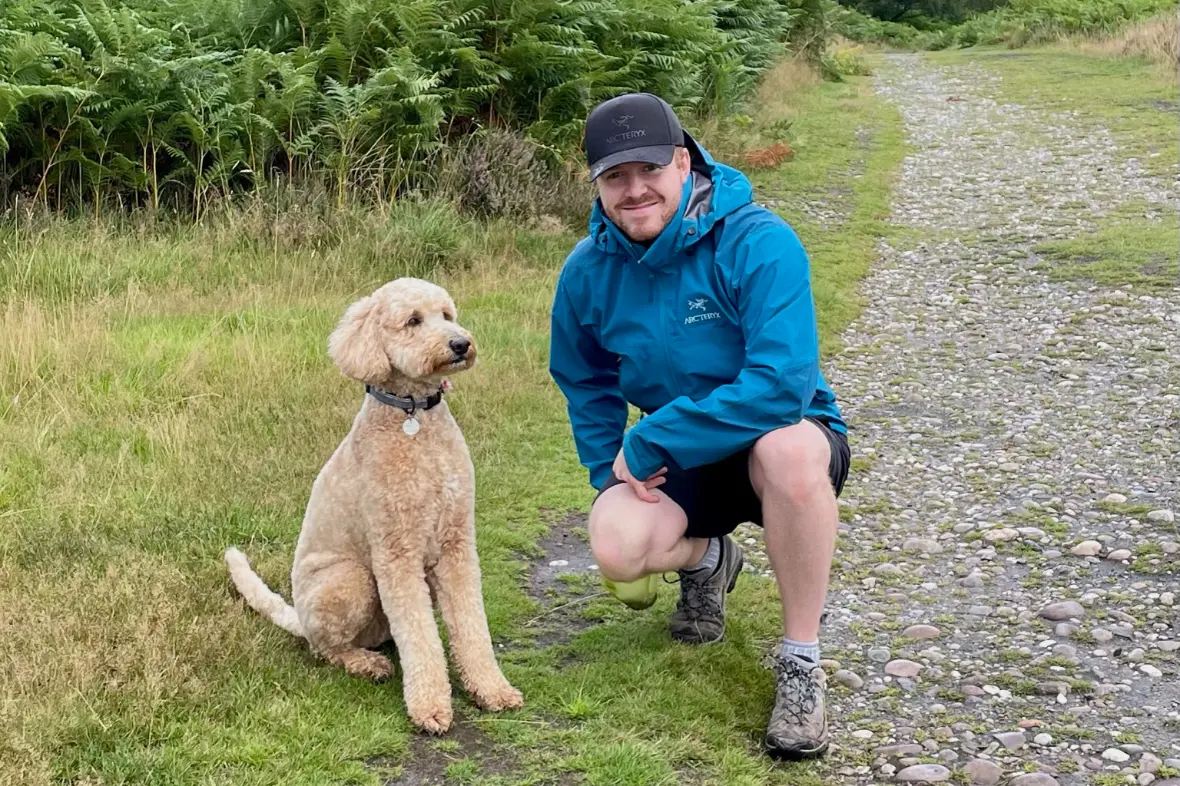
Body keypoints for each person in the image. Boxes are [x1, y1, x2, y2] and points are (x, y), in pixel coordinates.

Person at [547, 92, 851, 760]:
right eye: (615, 176)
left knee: (788, 451)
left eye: (650, 169)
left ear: (684, 163)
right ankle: (710, 559)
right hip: (686, 456)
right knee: (617, 546)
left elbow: (781, 386)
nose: (634, 190)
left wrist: (652, 438)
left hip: (779, 438)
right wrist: (609, 478)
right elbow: (585, 380)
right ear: (596, 185)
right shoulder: (586, 271)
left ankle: (801, 662)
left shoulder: (758, 241)